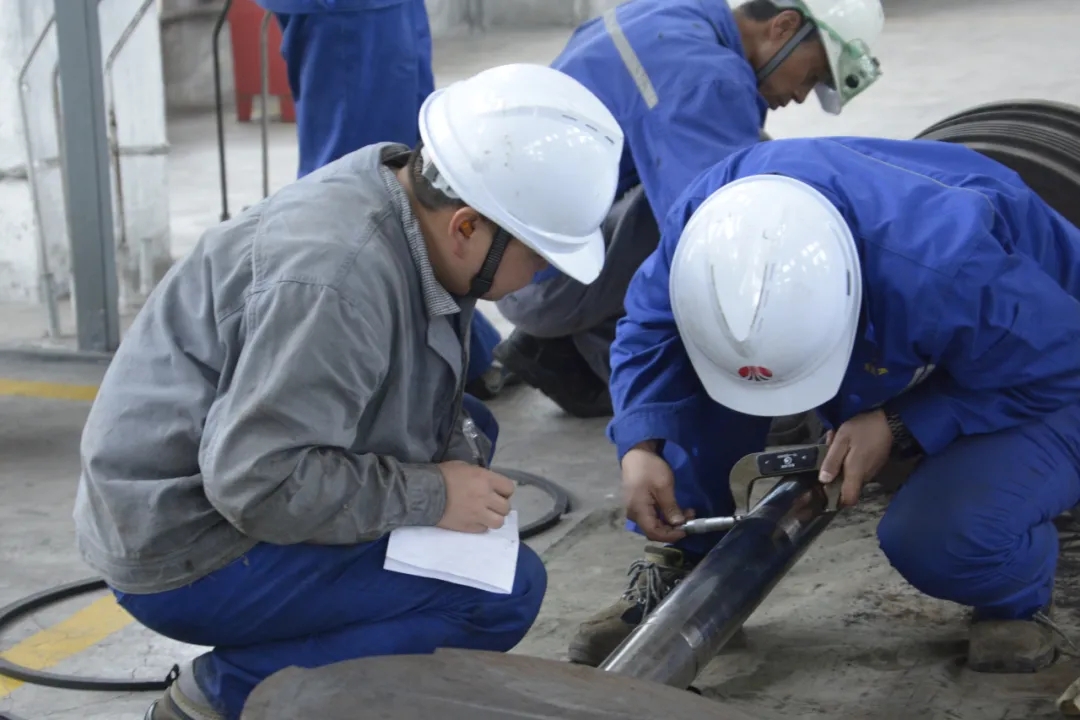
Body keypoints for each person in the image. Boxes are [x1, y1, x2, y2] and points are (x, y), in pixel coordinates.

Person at [73, 63, 624, 720]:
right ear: (467, 227)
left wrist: (446, 476)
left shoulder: (406, 198)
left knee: (472, 431)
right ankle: (227, 693)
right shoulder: (337, 283)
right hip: (187, 543)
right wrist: (434, 494)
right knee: (500, 594)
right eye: (537, 255)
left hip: (210, 478)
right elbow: (257, 482)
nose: (539, 276)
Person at [596, 134, 1080, 674]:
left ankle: (1014, 596)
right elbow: (652, 330)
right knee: (692, 367)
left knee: (940, 539)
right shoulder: (711, 226)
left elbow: (1064, 360)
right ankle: (687, 561)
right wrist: (640, 446)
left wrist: (900, 421)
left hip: (1050, 363)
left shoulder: (949, 270)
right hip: (926, 310)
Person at [494, 0, 885, 419]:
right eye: (812, 75)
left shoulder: (677, 15)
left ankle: (570, 342)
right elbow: (723, 246)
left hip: (513, 252)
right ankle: (639, 375)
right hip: (533, 277)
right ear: (784, 26)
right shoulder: (702, 81)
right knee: (725, 212)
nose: (801, 95)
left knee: (742, 168)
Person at [256, 0, 513, 400]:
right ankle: (328, 356)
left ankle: (460, 351)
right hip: (352, 13)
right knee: (361, 191)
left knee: (416, 172)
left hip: (379, 10)